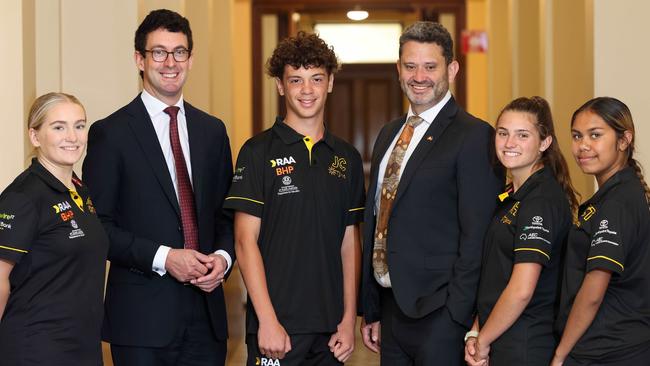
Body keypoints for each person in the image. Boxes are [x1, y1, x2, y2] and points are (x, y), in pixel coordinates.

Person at [82, 9, 234, 365]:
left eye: (179, 51)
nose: (171, 62)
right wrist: (165, 257)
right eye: (159, 52)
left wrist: (223, 261)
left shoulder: (213, 132)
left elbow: (227, 216)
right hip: (141, 323)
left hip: (207, 318)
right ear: (140, 59)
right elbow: (98, 227)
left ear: (191, 59)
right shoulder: (111, 133)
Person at [359, 21, 503, 365]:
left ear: (452, 69)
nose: (419, 76)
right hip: (392, 309)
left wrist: (458, 315)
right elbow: (377, 217)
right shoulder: (389, 133)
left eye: (430, 66)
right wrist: (372, 306)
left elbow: (478, 235)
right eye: (410, 66)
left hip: (441, 315)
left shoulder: (474, 136)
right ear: (398, 69)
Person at [223, 32, 364, 365]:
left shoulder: (346, 158)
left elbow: (349, 243)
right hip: (277, 328)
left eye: (316, 79)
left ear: (329, 83)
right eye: (296, 80)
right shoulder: (257, 152)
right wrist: (267, 321)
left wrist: (348, 321)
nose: (307, 90)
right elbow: (245, 242)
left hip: (331, 332)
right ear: (280, 86)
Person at [463, 97, 577, 366]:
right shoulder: (513, 195)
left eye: (522, 135)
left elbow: (522, 289)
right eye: (503, 133)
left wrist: (483, 341)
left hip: (525, 345)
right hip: (500, 338)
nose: (509, 143)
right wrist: (475, 331)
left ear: (544, 142)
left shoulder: (541, 199)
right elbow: (496, 274)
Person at [0, 92, 108, 365]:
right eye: (59, 127)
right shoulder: (23, 196)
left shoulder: (79, 189)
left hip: (81, 346)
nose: (72, 137)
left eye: (79, 126)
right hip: (36, 348)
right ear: (35, 137)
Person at [552, 97, 650, 366]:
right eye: (576, 136)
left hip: (609, 351)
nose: (583, 146)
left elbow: (594, 290)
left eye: (595, 135)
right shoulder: (616, 195)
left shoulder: (617, 202)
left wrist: (560, 355)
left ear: (623, 140)